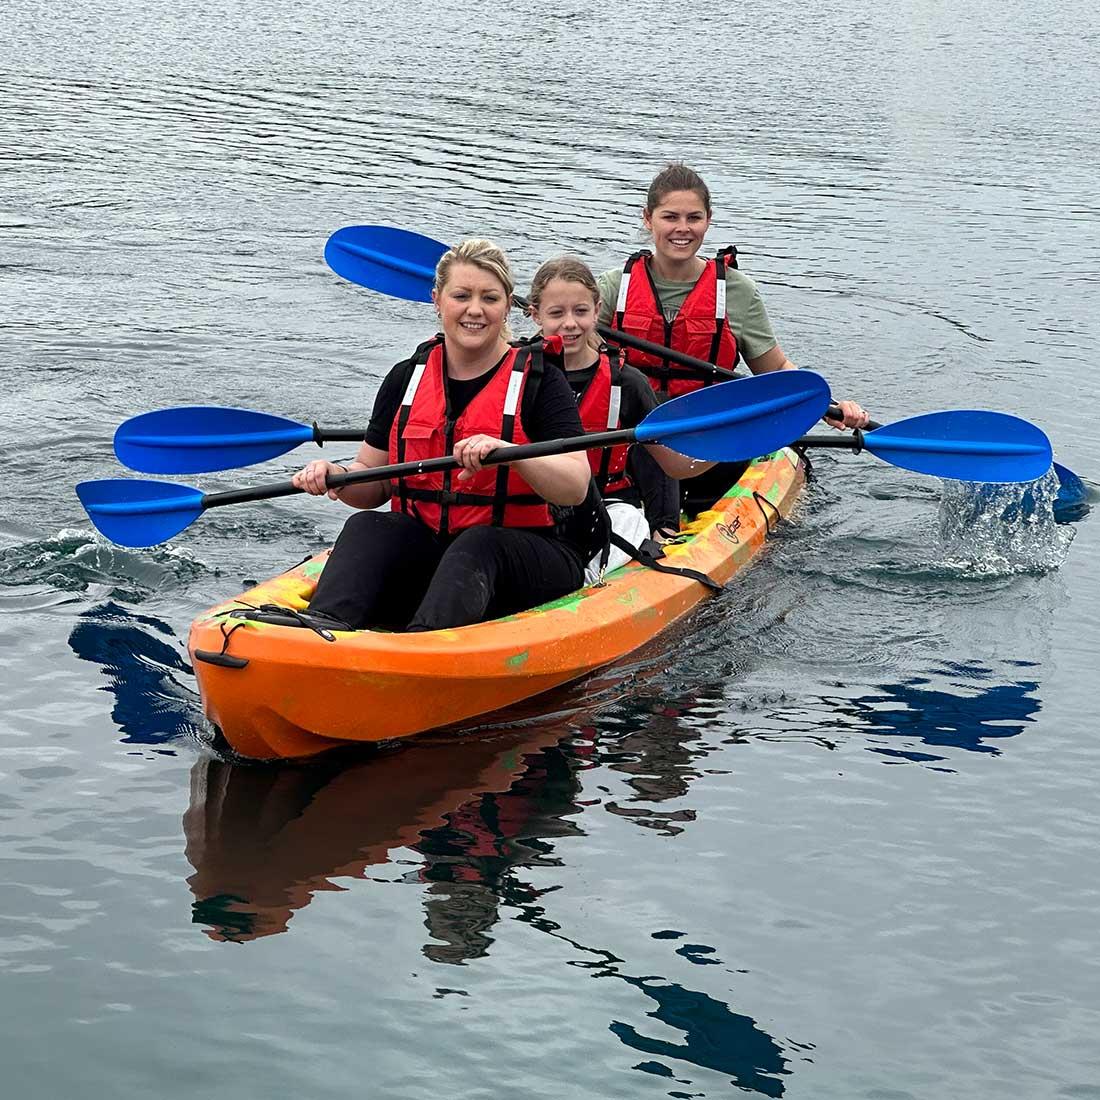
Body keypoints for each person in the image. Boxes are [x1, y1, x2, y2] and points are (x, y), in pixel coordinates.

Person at [292, 239, 596, 632]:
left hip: (529, 555)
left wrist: (511, 451)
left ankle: (424, 646)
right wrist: (335, 475)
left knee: (479, 544)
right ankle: (323, 630)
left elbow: (575, 486)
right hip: (439, 554)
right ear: (437, 300)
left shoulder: (541, 381)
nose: (475, 309)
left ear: (507, 306)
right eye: (461, 295)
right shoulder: (407, 377)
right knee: (370, 526)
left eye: (489, 298)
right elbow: (371, 480)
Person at [596, 162, 870, 515]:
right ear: (648, 219)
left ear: (708, 220)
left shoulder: (737, 293)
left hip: (713, 448)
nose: (682, 229)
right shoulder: (612, 288)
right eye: (670, 217)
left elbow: (776, 371)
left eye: (694, 218)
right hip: (630, 447)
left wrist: (826, 404)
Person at [527, 255, 714, 561]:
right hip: (536, 508)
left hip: (612, 507)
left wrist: (664, 526)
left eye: (581, 311)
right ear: (536, 315)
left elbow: (662, 463)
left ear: (597, 310)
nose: (570, 323)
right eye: (557, 313)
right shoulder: (518, 371)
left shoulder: (627, 383)